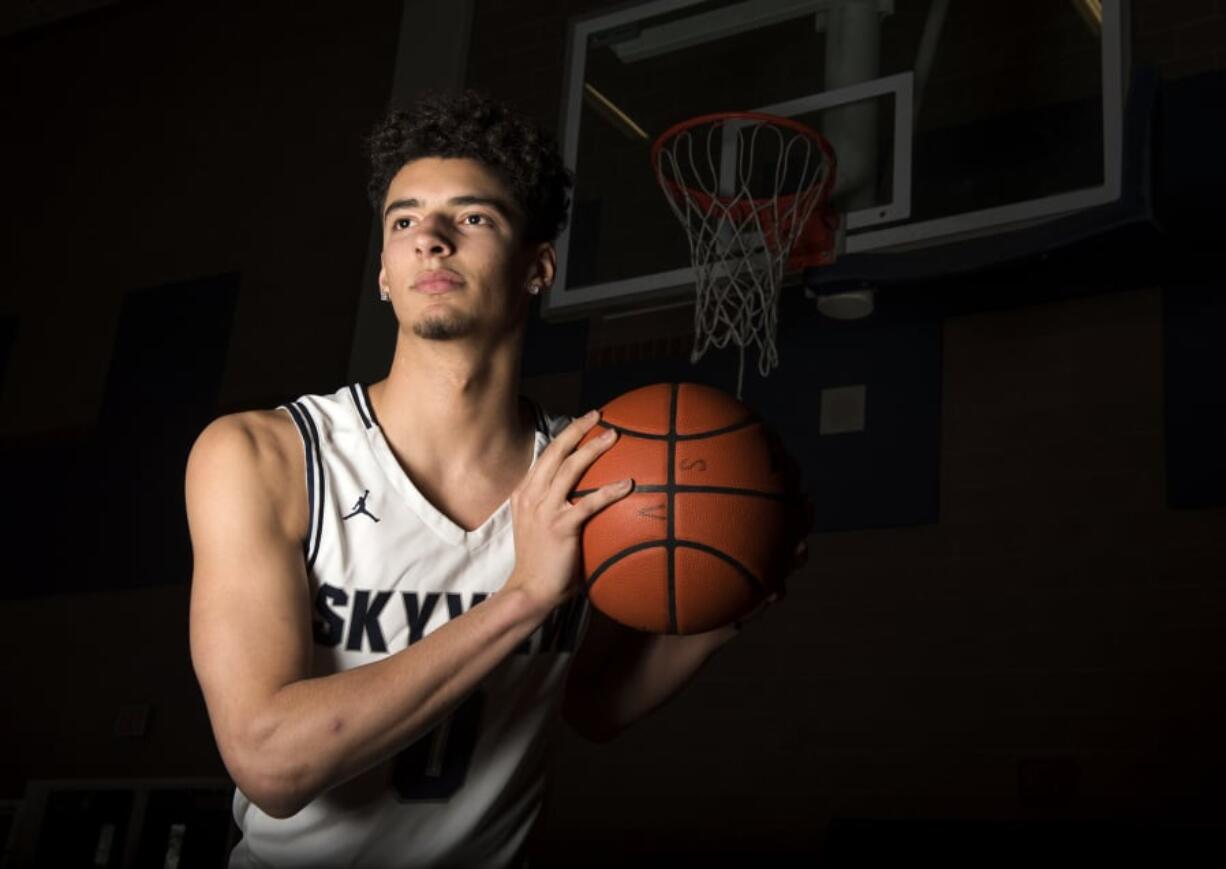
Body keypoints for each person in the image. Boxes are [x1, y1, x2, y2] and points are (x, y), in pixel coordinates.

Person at [186, 90, 808, 868]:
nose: (432, 240)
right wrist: (522, 601)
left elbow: (592, 704)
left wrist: (728, 597)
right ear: (382, 270)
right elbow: (271, 762)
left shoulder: (591, 467)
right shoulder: (265, 455)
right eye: (404, 221)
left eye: (473, 218)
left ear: (537, 266)